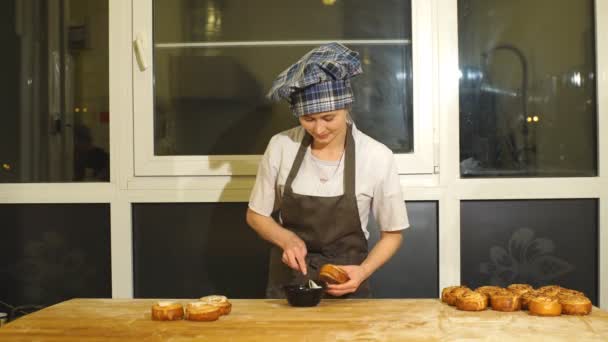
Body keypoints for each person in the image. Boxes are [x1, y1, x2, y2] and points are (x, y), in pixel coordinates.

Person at [246, 43, 409, 298]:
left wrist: (363, 271)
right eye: (308, 119)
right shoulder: (281, 147)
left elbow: (393, 234)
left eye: (329, 118)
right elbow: (256, 216)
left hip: (348, 288)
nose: (319, 129)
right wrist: (286, 239)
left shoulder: (376, 156)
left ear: (346, 107)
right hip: (289, 288)